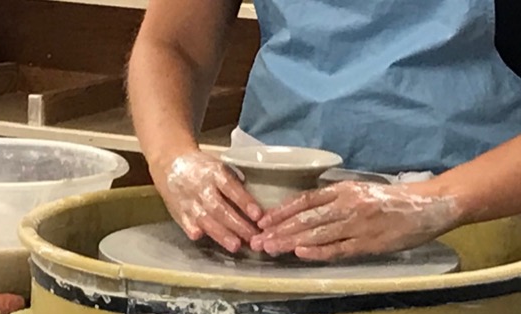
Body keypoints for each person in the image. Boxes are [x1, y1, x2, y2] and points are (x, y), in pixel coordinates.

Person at [127, 0, 521, 262]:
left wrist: (436, 202)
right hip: (271, 211)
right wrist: (173, 158)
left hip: (473, 210)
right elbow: (171, 44)